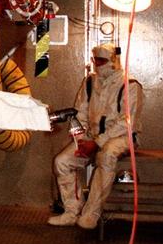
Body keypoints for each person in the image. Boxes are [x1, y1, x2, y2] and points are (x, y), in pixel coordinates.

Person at [49, 43, 143, 230]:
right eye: (95, 60)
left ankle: (91, 213)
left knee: (106, 155)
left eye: (102, 60)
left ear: (113, 61)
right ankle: (71, 211)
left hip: (121, 137)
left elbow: (126, 122)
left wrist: (97, 143)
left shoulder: (130, 85)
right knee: (62, 161)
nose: (97, 64)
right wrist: (81, 139)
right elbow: (81, 113)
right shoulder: (90, 82)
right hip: (91, 137)